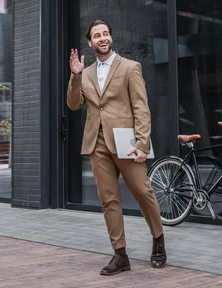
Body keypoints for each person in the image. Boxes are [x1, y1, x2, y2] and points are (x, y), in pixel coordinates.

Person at [67, 19, 166, 275]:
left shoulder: (130, 67)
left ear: (110, 38)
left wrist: (143, 143)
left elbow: (141, 108)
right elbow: (74, 104)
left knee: (144, 192)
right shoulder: (85, 72)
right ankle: (120, 254)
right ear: (90, 42)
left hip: (126, 142)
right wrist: (76, 76)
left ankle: (158, 240)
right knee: (109, 200)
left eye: (105, 34)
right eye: (96, 35)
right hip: (96, 143)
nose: (102, 38)